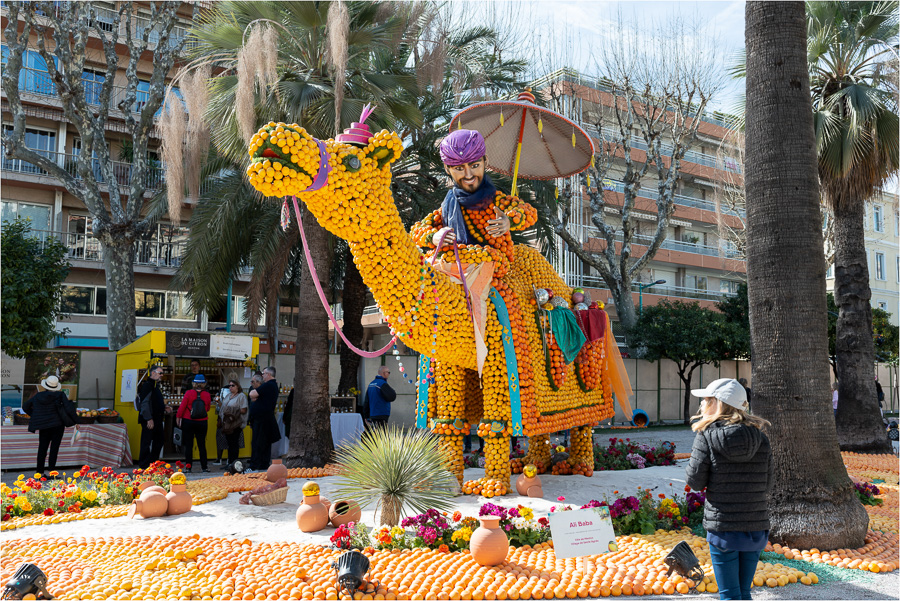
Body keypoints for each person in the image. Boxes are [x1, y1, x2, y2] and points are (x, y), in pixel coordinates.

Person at [685, 378, 773, 601]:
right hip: (755, 525)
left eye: (706, 399)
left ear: (717, 404)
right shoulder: (761, 439)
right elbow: (768, 484)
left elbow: (695, 482)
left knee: (729, 595)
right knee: (744, 593)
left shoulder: (706, 436)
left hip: (723, 526)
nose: (702, 404)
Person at [22, 375, 77, 477]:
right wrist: (77, 421)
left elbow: (25, 406)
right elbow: (69, 409)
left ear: (46, 386)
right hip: (58, 425)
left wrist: (35, 415)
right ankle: (52, 473)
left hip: (44, 425)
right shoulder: (60, 395)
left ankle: (39, 473)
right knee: (54, 449)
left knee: (42, 448)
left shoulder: (38, 396)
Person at [137, 365, 172, 469]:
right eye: (160, 373)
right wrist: (148, 418)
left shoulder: (155, 386)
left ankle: (152, 463)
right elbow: (145, 403)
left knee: (159, 441)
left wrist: (164, 407)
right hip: (150, 419)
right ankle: (144, 465)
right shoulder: (148, 385)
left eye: (162, 373)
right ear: (153, 373)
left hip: (157, 418)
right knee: (146, 442)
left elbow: (154, 402)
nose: (162, 375)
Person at [176, 374, 212, 472]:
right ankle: (204, 467)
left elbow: (182, 407)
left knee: (189, 445)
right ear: (204, 384)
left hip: (188, 421)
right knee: (202, 445)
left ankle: (188, 468)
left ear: (193, 383)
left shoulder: (188, 393)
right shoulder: (207, 394)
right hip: (202, 422)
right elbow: (207, 408)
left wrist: (178, 417)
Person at [247, 366, 281, 471]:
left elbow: (252, 394)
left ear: (269, 375)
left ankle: (254, 466)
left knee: (258, 443)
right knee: (264, 443)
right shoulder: (271, 386)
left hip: (262, 419)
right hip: (264, 418)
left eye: (264, 373)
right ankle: (263, 465)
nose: (262, 375)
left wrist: (256, 395)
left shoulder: (268, 385)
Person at [216, 380, 248, 468]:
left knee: (234, 444)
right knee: (229, 444)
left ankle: (234, 463)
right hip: (227, 424)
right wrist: (219, 402)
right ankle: (230, 463)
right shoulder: (228, 396)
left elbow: (244, 409)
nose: (230, 387)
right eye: (229, 386)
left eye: (232, 385)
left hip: (235, 423)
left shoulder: (241, 396)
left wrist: (232, 410)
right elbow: (223, 407)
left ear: (238, 386)